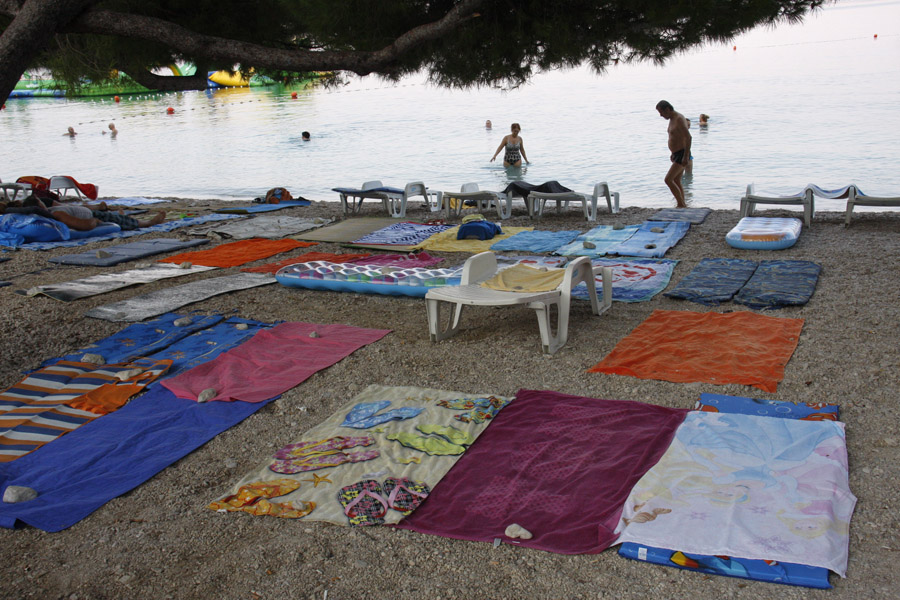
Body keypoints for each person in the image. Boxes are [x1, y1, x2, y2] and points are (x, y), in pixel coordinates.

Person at [23, 196, 166, 231]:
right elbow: (80, 224)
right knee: (121, 221)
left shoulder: (53, 210)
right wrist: (95, 222)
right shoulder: (58, 214)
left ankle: (122, 215)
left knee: (117, 217)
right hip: (94, 217)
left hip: (90, 212)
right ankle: (150, 223)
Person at [655, 100, 692, 207]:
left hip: (682, 154)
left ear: (667, 109)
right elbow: (675, 137)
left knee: (668, 180)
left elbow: (688, 137)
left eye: (661, 112)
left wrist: (686, 156)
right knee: (676, 179)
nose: (661, 115)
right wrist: (672, 153)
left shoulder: (679, 119)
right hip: (677, 154)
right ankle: (682, 203)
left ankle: (681, 204)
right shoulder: (672, 119)